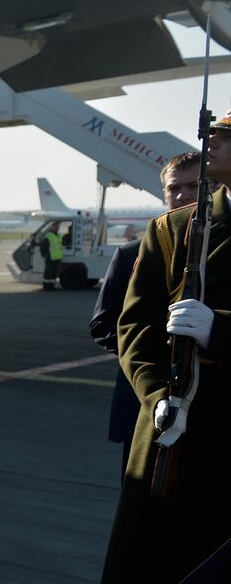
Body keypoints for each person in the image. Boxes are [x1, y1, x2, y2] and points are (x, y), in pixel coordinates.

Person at [98, 113, 231, 584]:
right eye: (215, 133)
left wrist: (221, 331)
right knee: (181, 580)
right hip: (178, 436)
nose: (214, 142)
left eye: (228, 135)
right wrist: (155, 395)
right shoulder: (171, 229)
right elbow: (135, 326)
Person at [90, 152, 200, 475]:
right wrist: (151, 347)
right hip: (141, 402)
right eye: (173, 188)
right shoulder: (130, 254)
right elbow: (103, 323)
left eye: (193, 186)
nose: (182, 195)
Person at [40, 223, 64, 290]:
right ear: (51, 227)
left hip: (57, 258)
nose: (57, 228)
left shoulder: (58, 236)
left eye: (58, 227)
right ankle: (46, 286)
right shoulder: (48, 236)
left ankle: (51, 286)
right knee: (48, 273)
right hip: (51, 257)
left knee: (53, 273)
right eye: (55, 227)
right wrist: (45, 255)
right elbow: (44, 247)